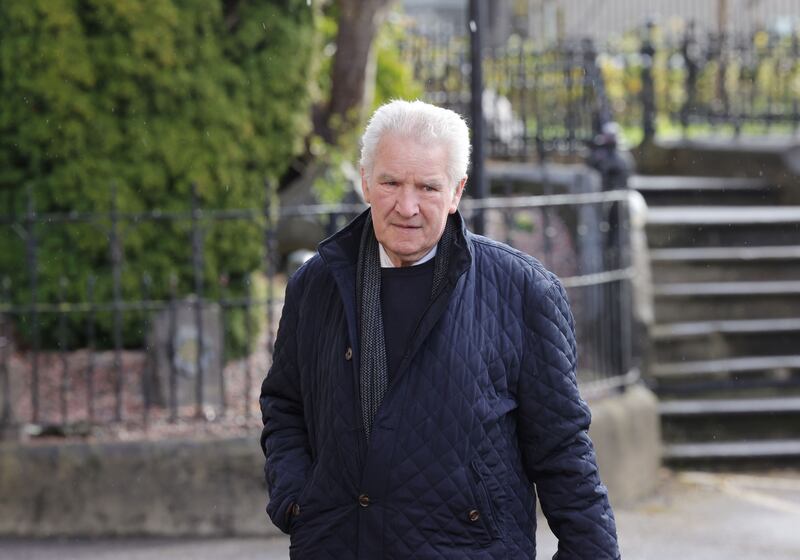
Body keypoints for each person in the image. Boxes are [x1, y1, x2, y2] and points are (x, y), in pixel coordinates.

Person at [259, 100, 620, 559]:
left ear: (456, 192)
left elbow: (563, 452)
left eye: (428, 187)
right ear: (366, 181)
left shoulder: (524, 291)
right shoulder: (316, 284)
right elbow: (284, 404)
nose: (406, 206)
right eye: (390, 182)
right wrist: (296, 499)